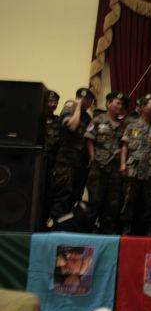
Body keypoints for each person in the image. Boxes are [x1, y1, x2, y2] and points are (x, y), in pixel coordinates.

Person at [84, 91, 128, 234]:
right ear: (108, 104)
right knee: (95, 200)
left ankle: (107, 232)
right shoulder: (98, 120)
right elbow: (90, 139)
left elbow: (124, 145)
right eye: (117, 103)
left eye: (122, 104)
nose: (120, 106)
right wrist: (92, 156)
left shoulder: (122, 125)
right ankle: (89, 230)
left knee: (112, 203)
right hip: (99, 165)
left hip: (114, 168)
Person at [120, 94, 151, 235]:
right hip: (134, 167)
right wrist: (122, 163)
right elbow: (125, 146)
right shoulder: (132, 126)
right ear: (143, 107)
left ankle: (148, 228)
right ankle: (126, 226)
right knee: (129, 198)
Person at [49, 88, 95, 223]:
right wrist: (78, 106)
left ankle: (68, 225)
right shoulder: (69, 110)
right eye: (84, 99)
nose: (87, 102)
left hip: (80, 165)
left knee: (75, 197)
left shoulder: (87, 117)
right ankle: (56, 226)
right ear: (77, 98)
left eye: (89, 100)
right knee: (63, 196)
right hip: (65, 163)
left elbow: (88, 138)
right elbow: (72, 126)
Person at [42, 90, 60, 224]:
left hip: (52, 164)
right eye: (50, 101)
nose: (53, 104)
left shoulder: (58, 121)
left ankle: (45, 221)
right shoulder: (37, 119)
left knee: (49, 194)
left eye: (55, 102)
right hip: (36, 164)